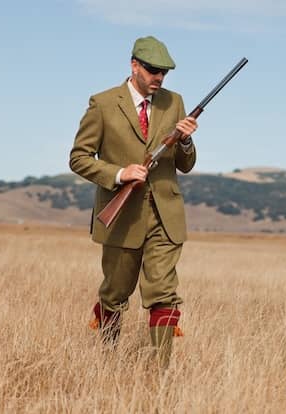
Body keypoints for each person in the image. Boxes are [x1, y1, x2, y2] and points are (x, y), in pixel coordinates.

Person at [69, 36, 197, 367]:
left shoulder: (175, 102)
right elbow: (79, 158)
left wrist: (184, 142)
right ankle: (107, 360)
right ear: (134, 65)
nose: (159, 78)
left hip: (165, 216)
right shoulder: (103, 104)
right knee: (115, 292)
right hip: (121, 214)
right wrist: (119, 174)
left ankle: (161, 374)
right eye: (153, 70)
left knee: (163, 292)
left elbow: (186, 164)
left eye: (164, 73)